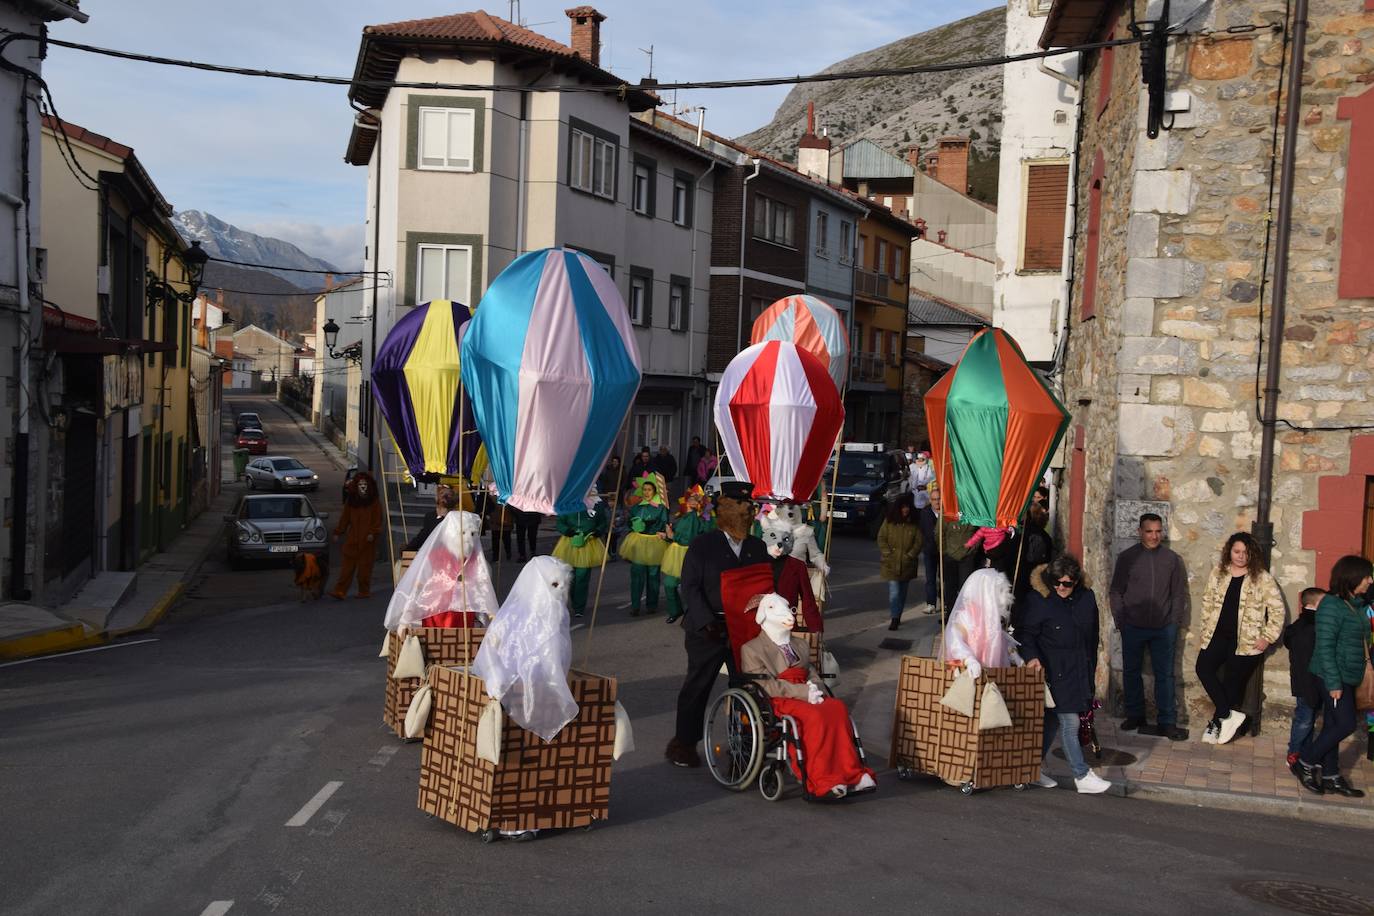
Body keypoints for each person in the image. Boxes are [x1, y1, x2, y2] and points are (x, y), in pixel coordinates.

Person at [665, 481, 771, 768]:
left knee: (747, 689)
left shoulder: (757, 547)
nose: (747, 511)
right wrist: (707, 622)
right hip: (708, 629)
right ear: (725, 508)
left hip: (745, 631)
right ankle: (684, 743)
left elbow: (764, 588)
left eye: (749, 506)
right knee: (698, 685)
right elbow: (690, 586)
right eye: (740, 505)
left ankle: (743, 748)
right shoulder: (703, 544)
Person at [740, 594, 876, 798]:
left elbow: (810, 671)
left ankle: (852, 773)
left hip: (807, 690)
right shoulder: (751, 649)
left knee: (837, 708)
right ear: (763, 616)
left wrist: (816, 689)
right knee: (814, 717)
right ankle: (822, 777)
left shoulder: (800, 645)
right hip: (779, 697)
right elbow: (765, 684)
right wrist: (803, 692)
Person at [1019, 554, 1112, 795]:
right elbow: (1026, 634)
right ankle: (1081, 774)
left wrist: (1091, 667)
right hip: (1052, 670)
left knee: (1051, 722)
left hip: (1079, 669)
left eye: (1066, 583)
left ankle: (1030, 768)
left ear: (1076, 582)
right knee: (1070, 722)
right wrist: (1031, 657)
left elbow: (1092, 635)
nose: (1060, 587)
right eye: (1056, 582)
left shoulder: (1086, 598)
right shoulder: (1038, 599)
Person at [1194, 532, 1284, 745]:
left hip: (1246, 641)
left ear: (1251, 554)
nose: (1240, 556)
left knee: (1231, 684)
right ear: (1229, 552)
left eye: (1245, 552)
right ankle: (1227, 714)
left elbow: (1278, 611)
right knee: (1203, 668)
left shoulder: (1262, 578)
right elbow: (1207, 601)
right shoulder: (1219, 573)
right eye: (1236, 552)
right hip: (1217, 635)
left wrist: (1268, 638)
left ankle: (1217, 724)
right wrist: (1205, 629)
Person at [1295, 555, 1372, 797]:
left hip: (1349, 675)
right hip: (1331, 676)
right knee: (1345, 723)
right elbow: (1325, 647)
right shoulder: (1330, 606)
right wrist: (1334, 683)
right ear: (1353, 577)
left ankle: (1331, 775)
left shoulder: (1356, 603)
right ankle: (1304, 761)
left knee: (1332, 724)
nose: (1370, 580)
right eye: (1367, 576)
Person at [1108, 512, 1190, 740]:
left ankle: (1167, 721)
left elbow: (1178, 594)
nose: (1154, 536)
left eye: (1157, 531)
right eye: (1149, 531)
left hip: (1164, 628)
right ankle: (1135, 715)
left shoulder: (1172, 559)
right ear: (1140, 532)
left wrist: (1173, 622)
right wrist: (1121, 621)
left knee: (1165, 675)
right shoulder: (1127, 558)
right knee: (1132, 672)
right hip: (1132, 626)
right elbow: (1116, 591)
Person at [1284, 587, 1327, 776]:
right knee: (1304, 719)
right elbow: (1304, 661)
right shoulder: (1308, 628)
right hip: (1307, 682)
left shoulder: (1303, 625)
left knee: (1307, 719)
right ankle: (1294, 753)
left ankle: (1304, 754)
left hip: (1306, 682)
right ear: (1313, 604)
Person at [661, 485, 714, 625]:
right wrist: (667, 535)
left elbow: (689, 539)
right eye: (690, 498)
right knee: (669, 584)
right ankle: (675, 611)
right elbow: (677, 534)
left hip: (689, 555)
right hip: (675, 555)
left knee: (690, 587)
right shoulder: (683, 516)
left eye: (696, 499)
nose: (691, 501)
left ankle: (695, 615)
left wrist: (672, 536)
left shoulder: (697, 518)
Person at [551, 494, 610, 618]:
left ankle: (579, 607)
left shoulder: (596, 504)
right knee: (568, 576)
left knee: (582, 576)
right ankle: (568, 603)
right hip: (569, 544)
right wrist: (568, 531)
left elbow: (602, 522)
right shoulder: (567, 502)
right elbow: (560, 522)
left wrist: (597, 531)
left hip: (588, 543)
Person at [620, 473, 670, 617]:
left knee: (653, 575)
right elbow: (630, 522)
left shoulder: (661, 507)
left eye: (649, 489)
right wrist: (633, 524)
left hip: (654, 542)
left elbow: (664, 523)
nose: (647, 492)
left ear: (654, 491)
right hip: (639, 542)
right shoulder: (637, 507)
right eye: (645, 489)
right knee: (637, 575)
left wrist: (654, 524)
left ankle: (652, 605)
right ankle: (635, 605)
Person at [330, 470, 383, 600]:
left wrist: (372, 532)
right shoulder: (351, 501)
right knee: (346, 568)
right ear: (356, 486)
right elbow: (345, 518)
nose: (362, 486)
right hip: (353, 539)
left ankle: (364, 591)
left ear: (369, 486)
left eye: (364, 484)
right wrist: (338, 532)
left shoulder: (374, 502)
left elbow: (378, 520)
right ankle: (340, 591)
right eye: (360, 484)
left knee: (364, 569)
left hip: (367, 541)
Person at [929, 485, 980, 615]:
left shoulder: (974, 511)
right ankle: (950, 614)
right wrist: (944, 550)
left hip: (966, 556)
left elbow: (979, 532)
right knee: (950, 588)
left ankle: (963, 615)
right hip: (950, 555)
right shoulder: (948, 510)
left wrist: (972, 548)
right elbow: (939, 533)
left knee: (964, 589)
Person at [877, 492, 923, 631]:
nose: (905, 510)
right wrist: (887, 553)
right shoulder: (889, 522)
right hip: (891, 564)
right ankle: (894, 618)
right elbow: (881, 538)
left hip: (907, 564)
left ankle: (898, 615)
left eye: (907, 507)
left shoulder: (914, 523)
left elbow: (918, 541)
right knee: (894, 592)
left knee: (902, 593)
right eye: (903, 507)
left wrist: (910, 555)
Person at [404, 484, 461, 553]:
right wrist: (407, 548)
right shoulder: (431, 516)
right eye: (441, 492)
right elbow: (422, 536)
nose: (444, 496)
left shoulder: (456, 518)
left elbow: (423, 537)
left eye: (448, 494)